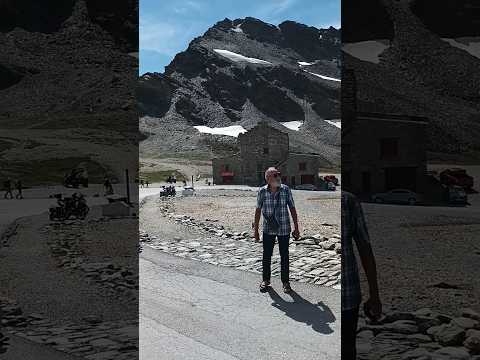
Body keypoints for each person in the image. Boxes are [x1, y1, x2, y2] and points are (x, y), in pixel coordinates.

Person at [341, 191, 382, 359]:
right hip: (347, 294)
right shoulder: (348, 200)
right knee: (347, 349)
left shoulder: (348, 201)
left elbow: (364, 247)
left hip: (346, 295)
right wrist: (374, 295)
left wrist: (374, 295)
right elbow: (365, 247)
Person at [254, 167, 300, 294]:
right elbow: (258, 210)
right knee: (266, 255)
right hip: (268, 229)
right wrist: (256, 230)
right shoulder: (262, 191)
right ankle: (265, 280)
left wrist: (296, 227)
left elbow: (292, 208)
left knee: (284, 256)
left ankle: (286, 283)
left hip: (284, 228)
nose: (279, 177)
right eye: (275, 175)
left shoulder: (285, 189)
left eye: (279, 174)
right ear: (268, 178)